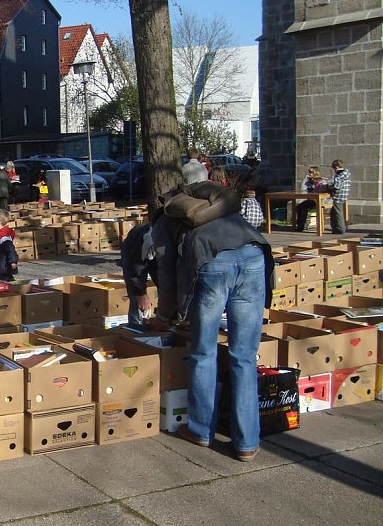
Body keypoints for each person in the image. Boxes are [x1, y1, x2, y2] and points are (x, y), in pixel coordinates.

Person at [151, 197, 273, 462]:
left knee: (204, 352)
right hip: (254, 254)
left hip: (213, 263)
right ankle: (247, 443)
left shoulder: (165, 220)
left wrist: (164, 315)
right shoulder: (217, 203)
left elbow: (166, 274)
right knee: (244, 356)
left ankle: (201, 430)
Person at [120, 222, 158, 325]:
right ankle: (135, 330)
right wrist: (140, 294)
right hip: (135, 252)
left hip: (160, 261)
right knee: (139, 302)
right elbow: (134, 269)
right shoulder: (149, 238)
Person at [0, 209, 18, 282]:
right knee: (1, 279)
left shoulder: (4, 235)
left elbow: (11, 250)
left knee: (0, 280)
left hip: (4, 265)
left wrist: (13, 261)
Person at [295, 166, 326, 232]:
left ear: (315, 173)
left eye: (311, 173)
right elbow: (302, 189)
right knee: (299, 206)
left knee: (304, 206)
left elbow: (323, 190)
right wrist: (305, 179)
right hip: (311, 199)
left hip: (318, 200)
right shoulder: (308, 182)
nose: (309, 174)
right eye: (309, 172)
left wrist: (317, 184)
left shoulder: (321, 181)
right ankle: (300, 225)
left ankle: (301, 227)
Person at [328, 159, 350, 234]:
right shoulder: (346, 172)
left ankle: (340, 229)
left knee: (338, 213)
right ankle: (335, 228)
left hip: (338, 195)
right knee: (333, 212)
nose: (334, 170)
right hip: (344, 195)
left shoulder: (339, 174)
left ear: (336, 167)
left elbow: (337, 186)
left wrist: (328, 187)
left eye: (334, 168)